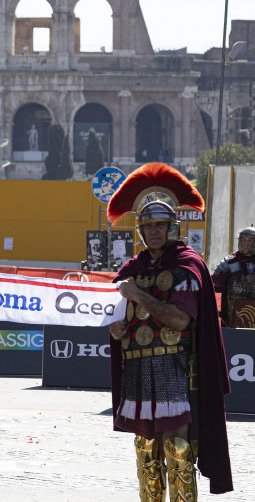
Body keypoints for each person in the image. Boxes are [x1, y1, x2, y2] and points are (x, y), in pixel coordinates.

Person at [106, 163, 233, 500]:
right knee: (146, 449)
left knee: (177, 449)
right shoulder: (132, 268)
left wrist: (138, 295)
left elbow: (179, 320)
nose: (155, 232)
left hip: (175, 368)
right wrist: (117, 330)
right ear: (141, 232)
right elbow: (122, 317)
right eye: (149, 227)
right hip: (137, 367)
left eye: (161, 225)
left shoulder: (186, 266)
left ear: (172, 227)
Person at [212, 226, 255, 328]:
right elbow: (214, 284)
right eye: (243, 240)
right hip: (233, 315)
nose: (246, 244)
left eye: (250, 241)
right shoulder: (229, 262)